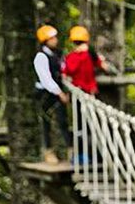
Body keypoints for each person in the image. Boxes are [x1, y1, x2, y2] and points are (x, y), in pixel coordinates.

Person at [31, 24, 70, 163]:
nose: (55, 40)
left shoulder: (58, 54)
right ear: (45, 40)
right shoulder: (41, 57)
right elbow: (46, 79)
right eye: (52, 38)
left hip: (58, 91)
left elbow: (63, 72)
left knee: (63, 121)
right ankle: (48, 152)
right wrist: (59, 93)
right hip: (46, 94)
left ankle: (70, 150)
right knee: (46, 123)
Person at [60, 25, 110, 96]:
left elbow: (64, 73)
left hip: (76, 91)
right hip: (90, 91)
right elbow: (104, 67)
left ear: (73, 41)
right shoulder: (91, 53)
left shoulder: (70, 57)